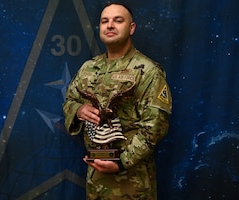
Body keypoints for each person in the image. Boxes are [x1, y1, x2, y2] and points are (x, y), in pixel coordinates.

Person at [63, 2, 172, 200]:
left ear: (131, 28)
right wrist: (79, 110)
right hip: (96, 178)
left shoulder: (148, 71)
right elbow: (70, 101)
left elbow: (155, 127)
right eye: (105, 21)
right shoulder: (88, 68)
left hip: (132, 182)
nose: (110, 25)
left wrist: (121, 162)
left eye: (118, 20)